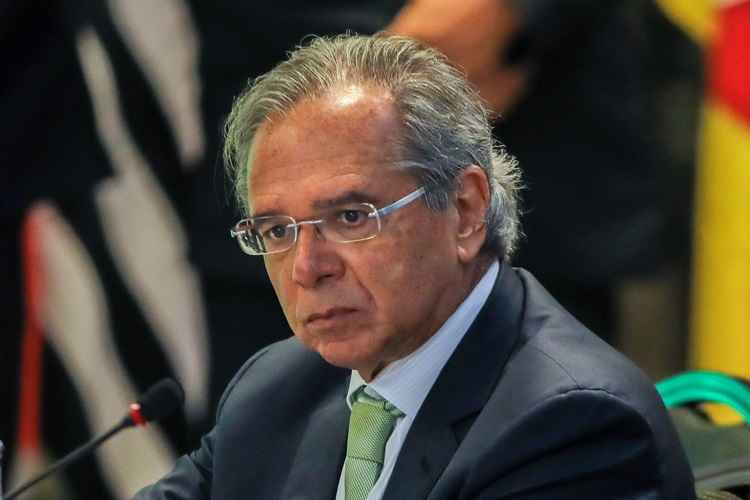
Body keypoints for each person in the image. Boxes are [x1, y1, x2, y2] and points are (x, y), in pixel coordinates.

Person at [133, 34, 694, 500]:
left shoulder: (571, 427)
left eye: (351, 217)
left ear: (466, 211)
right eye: (278, 231)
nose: (307, 267)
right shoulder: (278, 388)